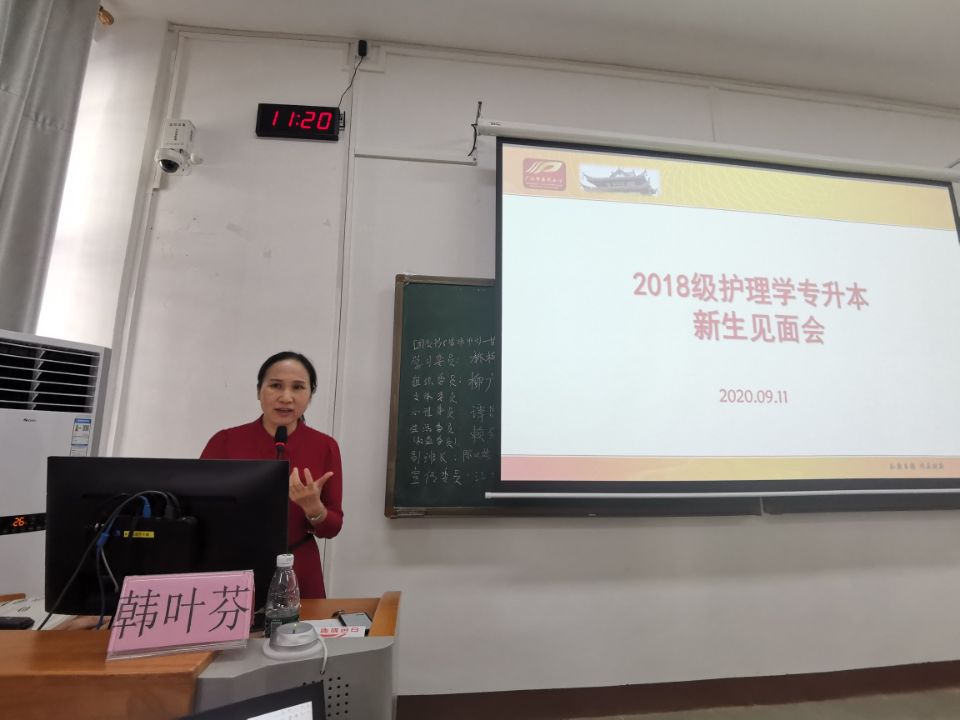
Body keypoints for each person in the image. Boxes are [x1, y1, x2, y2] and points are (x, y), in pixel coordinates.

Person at [201, 351, 343, 598]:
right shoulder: (225, 441)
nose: (286, 397)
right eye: (276, 385)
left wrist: (314, 509)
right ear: (259, 391)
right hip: (232, 564)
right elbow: (196, 510)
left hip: (298, 567)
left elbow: (332, 528)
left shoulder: (324, 446)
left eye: (298, 387)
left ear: (310, 396)